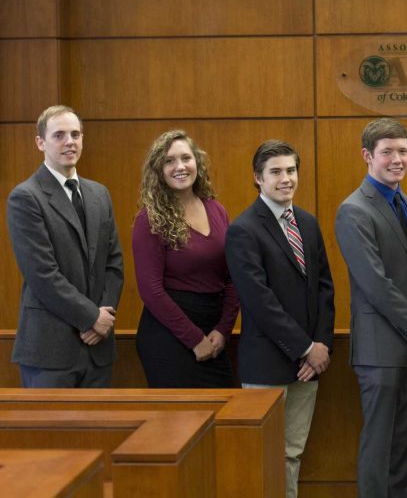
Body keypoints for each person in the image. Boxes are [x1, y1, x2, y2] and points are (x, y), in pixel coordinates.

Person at [334, 118, 407, 498]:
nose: (397, 159)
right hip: (380, 349)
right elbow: (375, 283)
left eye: (403, 151)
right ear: (367, 156)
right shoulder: (353, 210)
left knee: (404, 447)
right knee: (379, 448)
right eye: (387, 152)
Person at [225, 140, 335, 498]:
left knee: (292, 453)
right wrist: (304, 347)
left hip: (308, 366)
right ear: (258, 178)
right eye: (276, 172)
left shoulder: (307, 222)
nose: (286, 179)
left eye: (291, 170)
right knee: (264, 456)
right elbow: (259, 301)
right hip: (267, 365)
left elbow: (324, 289)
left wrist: (320, 347)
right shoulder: (244, 229)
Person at [6, 105, 123, 388]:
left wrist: (103, 318)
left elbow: (114, 263)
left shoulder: (99, 194)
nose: (69, 141)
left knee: (99, 434)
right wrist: (91, 317)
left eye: (75, 134)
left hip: (98, 349)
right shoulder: (26, 197)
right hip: (50, 352)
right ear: (40, 142)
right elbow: (42, 274)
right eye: (59, 135)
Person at [132, 130, 239, 388]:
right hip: (169, 337)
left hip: (214, 334)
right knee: (179, 426)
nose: (180, 167)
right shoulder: (150, 219)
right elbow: (151, 291)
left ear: (197, 163)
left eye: (186, 158)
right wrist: (194, 339)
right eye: (169, 161)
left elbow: (233, 277)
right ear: (158, 170)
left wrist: (222, 331)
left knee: (223, 421)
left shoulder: (216, 209)